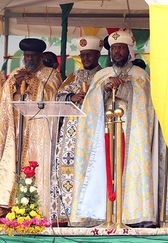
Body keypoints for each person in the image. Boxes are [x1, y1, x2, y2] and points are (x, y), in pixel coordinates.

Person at [71, 30, 155, 226]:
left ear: (129, 51)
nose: (117, 52)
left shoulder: (140, 75)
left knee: (128, 167)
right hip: (106, 128)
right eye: (114, 48)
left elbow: (147, 105)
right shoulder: (102, 75)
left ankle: (132, 213)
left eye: (121, 48)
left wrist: (127, 88)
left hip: (131, 130)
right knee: (105, 166)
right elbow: (89, 104)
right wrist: (104, 88)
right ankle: (101, 213)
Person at [0, 38, 61, 217]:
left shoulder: (50, 73)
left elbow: (51, 94)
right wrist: (15, 84)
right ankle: (9, 204)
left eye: (33, 56)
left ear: (41, 56)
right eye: (27, 56)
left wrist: (33, 81)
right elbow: (5, 97)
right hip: (18, 127)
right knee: (13, 161)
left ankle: (34, 208)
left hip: (38, 130)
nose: (29, 59)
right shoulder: (17, 72)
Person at [50, 36, 103, 224]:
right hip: (71, 132)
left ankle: (90, 214)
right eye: (83, 55)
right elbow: (58, 97)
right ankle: (67, 213)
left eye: (90, 55)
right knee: (67, 169)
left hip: (94, 130)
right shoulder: (74, 76)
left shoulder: (103, 76)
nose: (86, 58)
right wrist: (72, 96)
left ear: (98, 55)